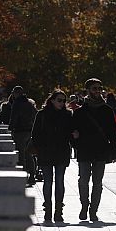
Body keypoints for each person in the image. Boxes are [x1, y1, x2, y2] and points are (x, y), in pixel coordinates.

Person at [72, 78, 116, 221]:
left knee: (98, 182)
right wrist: (76, 143)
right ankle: (84, 205)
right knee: (83, 180)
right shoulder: (80, 111)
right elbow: (73, 131)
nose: (97, 91)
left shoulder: (107, 110)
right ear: (87, 91)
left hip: (101, 150)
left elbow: (113, 132)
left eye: (99, 88)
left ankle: (93, 210)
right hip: (85, 150)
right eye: (94, 88)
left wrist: (115, 152)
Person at [30, 89, 73, 223]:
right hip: (46, 152)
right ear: (52, 100)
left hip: (61, 152)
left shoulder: (67, 114)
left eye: (64, 101)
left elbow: (71, 132)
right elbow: (35, 133)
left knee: (59, 181)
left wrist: (74, 136)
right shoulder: (41, 114)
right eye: (59, 100)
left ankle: (58, 211)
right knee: (48, 181)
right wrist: (39, 148)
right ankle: (48, 209)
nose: (62, 103)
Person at [8, 85, 38, 185]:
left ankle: (23, 176)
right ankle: (32, 176)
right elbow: (35, 115)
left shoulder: (17, 103)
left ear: (16, 93)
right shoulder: (29, 103)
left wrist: (11, 129)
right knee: (29, 154)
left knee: (21, 155)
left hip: (20, 131)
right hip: (29, 131)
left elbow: (14, 117)